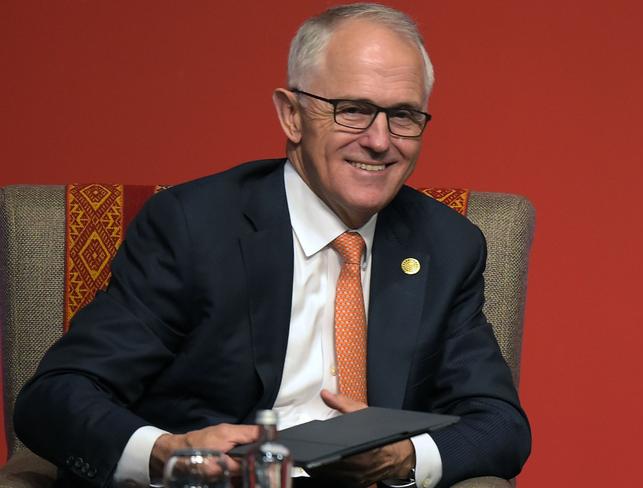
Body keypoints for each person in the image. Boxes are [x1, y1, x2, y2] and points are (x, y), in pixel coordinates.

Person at [14, 3, 531, 488]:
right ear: (291, 116)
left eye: (403, 116)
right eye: (352, 110)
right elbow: (55, 399)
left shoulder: (446, 243)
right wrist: (170, 453)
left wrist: (403, 459)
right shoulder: (195, 227)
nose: (379, 140)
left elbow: (500, 424)